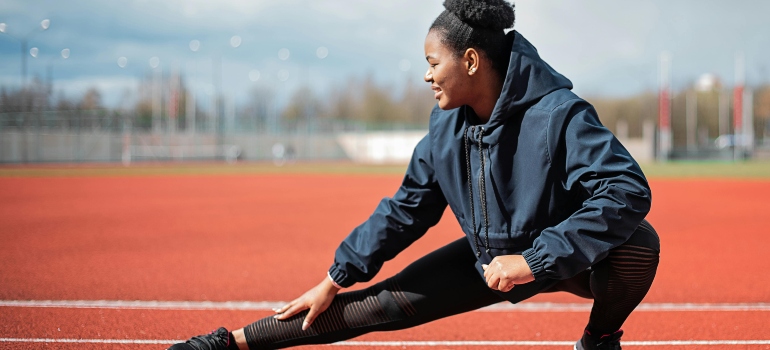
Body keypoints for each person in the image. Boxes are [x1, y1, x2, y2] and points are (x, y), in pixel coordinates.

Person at [169, 0, 660, 349]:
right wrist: (337, 275)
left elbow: (626, 190)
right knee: (377, 308)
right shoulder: (444, 128)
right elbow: (406, 209)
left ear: (469, 61)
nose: (426, 76)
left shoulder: (558, 113)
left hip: (566, 259)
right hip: (488, 263)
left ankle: (598, 341)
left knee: (639, 244)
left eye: (432, 62)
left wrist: (534, 259)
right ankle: (226, 344)